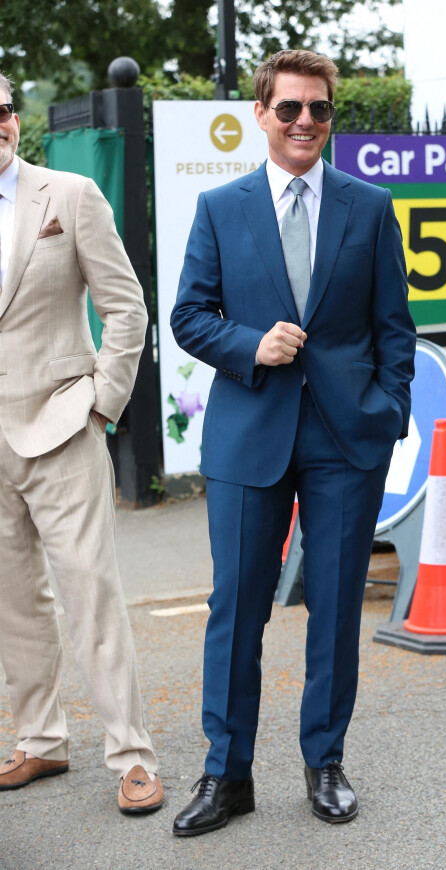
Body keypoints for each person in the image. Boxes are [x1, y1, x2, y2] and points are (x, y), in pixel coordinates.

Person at [171, 49, 416, 836]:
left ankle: (326, 763)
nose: (305, 121)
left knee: (337, 609)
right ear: (261, 114)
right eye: (290, 109)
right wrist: (250, 346)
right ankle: (226, 775)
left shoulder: (370, 207)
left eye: (318, 109)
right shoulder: (220, 207)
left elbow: (395, 330)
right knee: (236, 609)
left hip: (348, 439)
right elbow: (189, 316)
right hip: (250, 432)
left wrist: (388, 412)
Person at [0, 73, 163, 814]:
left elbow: (125, 308)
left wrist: (102, 405)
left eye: (1, 110)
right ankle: (40, 740)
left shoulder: (67, 195)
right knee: (13, 602)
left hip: (64, 424)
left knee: (89, 592)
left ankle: (131, 753)